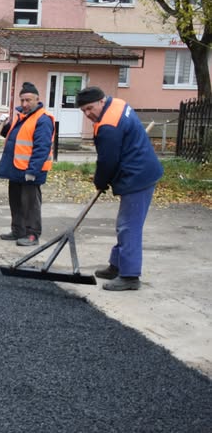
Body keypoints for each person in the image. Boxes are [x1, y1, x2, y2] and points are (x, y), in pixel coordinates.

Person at [76, 86, 163, 292]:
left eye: (90, 108)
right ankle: (117, 265)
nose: (88, 114)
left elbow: (108, 160)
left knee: (129, 226)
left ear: (101, 101)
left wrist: (100, 181)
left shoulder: (108, 126)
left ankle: (130, 276)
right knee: (124, 224)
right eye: (84, 111)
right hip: (139, 170)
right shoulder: (117, 104)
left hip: (138, 176)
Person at [0, 82, 54, 247]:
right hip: (16, 168)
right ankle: (18, 231)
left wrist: (33, 170)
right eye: (22, 100)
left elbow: (42, 148)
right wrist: (4, 125)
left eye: (28, 100)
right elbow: (14, 135)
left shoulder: (42, 120)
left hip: (31, 170)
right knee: (16, 201)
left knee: (30, 204)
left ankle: (32, 235)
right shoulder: (21, 117)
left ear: (37, 99)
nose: (25, 104)